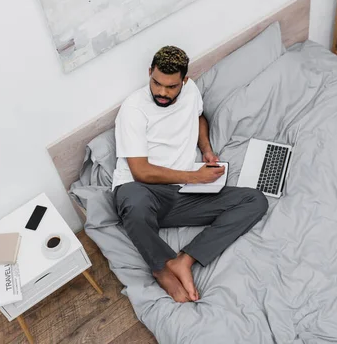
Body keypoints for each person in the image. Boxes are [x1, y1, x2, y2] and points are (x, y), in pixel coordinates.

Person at [112, 46, 269, 303]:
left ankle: (185, 260)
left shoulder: (191, 91)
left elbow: (199, 118)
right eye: (156, 83)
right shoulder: (133, 110)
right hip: (143, 191)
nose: (162, 92)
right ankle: (162, 268)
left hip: (183, 194)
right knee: (133, 201)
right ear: (149, 73)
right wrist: (194, 177)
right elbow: (140, 171)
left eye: (171, 87)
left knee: (256, 201)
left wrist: (206, 149)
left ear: (184, 80)